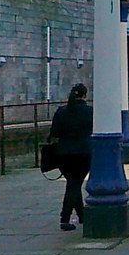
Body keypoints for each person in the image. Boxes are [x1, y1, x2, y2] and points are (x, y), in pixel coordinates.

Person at [49, 83, 92, 231]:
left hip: (63, 153)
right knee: (74, 184)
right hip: (83, 152)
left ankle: (82, 215)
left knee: (73, 183)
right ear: (85, 96)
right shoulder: (90, 112)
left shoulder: (61, 111)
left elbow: (54, 132)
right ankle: (65, 218)